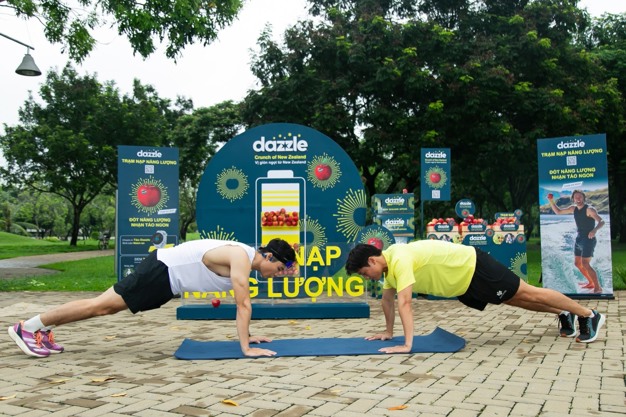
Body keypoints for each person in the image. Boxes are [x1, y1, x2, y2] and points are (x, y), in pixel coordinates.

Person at [8, 238, 297, 358]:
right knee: (101, 307)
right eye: (279, 269)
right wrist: (246, 348)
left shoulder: (244, 256)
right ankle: (28, 327)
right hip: (161, 272)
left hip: (164, 279)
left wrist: (248, 335)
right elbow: (243, 304)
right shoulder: (241, 257)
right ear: (269, 257)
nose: (279, 275)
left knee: (103, 307)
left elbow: (243, 304)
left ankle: (41, 328)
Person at [345, 240, 606, 353]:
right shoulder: (389, 268)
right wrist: (388, 332)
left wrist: (407, 344)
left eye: (365, 273)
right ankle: (564, 312)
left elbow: (404, 302)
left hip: (475, 267)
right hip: (466, 284)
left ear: (372, 260)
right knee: (514, 299)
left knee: (527, 291)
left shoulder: (399, 257)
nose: (367, 277)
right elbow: (387, 300)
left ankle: (589, 315)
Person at [547, 190, 605, 293]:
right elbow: (558, 212)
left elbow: (602, 221)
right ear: (573, 199)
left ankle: (598, 287)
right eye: (576, 197)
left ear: (583, 198)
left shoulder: (589, 209)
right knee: (577, 263)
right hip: (579, 239)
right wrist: (551, 201)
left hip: (588, 240)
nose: (578, 198)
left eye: (580, 196)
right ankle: (591, 282)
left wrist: (594, 230)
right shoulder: (573, 209)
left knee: (585, 263)